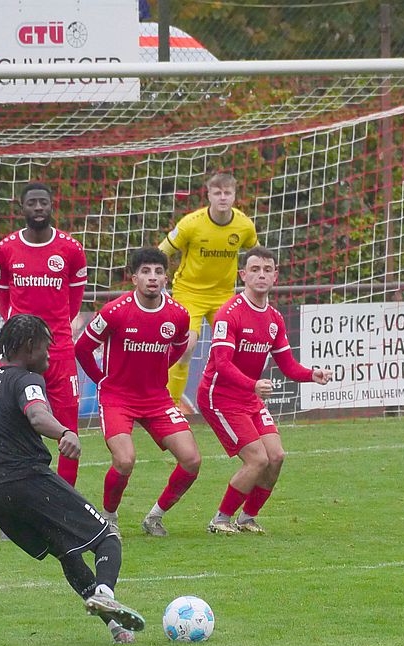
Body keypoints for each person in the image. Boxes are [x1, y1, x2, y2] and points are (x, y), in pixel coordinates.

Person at [0, 314, 146, 643]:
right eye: (46, 347)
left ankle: (116, 628)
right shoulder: (26, 379)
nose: (50, 355)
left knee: (66, 551)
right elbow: (38, 414)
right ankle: (104, 592)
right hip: (25, 479)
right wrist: (64, 432)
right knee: (107, 536)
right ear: (29, 347)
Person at [197, 246, 333, 535]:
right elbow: (222, 363)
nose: (261, 275)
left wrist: (312, 374)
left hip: (249, 397)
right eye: (255, 269)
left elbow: (288, 365)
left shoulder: (274, 318)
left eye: (267, 270)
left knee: (276, 456)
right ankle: (220, 520)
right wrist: (253, 384)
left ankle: (247, 519)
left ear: (275, 276)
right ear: (243, 275)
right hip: (219, 397)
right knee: (257, 459)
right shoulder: (229, 314)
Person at [75, 247, 202, 538]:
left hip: (156, 398)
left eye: (158, 272)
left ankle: (154, 517)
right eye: (145, 271)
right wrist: (101, 381)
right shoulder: (115, 311)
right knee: (124, 460)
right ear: (134, 278)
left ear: (166, 278)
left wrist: (159, 372)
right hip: (118, 398)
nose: (152, 277)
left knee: (192, 460)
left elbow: (179, 347)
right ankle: (109, 518)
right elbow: (82, 349)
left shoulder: (178, 315)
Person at [0, 182, 88, 486]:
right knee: (10, 424)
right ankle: (13, 494)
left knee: (68, 429)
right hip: (18, 355)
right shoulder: (6, 248)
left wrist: (53, 332)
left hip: (59, 350)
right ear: (21, 207)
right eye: (32, 202)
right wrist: (18, 333)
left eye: (43, 202)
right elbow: (2, 296)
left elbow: (74, 301)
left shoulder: (71, 249)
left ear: (51, 206)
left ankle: (65, 502)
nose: (38, 208)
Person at [159, 172, 259, 411]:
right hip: (189, 293)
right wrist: (159, 280)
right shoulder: (191, 223)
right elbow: (162, 252)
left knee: (239, 349)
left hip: (224, 295)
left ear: (234, 196)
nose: (223, 197)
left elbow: (256, 255)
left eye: (227, 193)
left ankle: (238, 403)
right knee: (186, 347)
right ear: (209, 196)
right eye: (218, 193)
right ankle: (170, 407)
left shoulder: (244, 225)